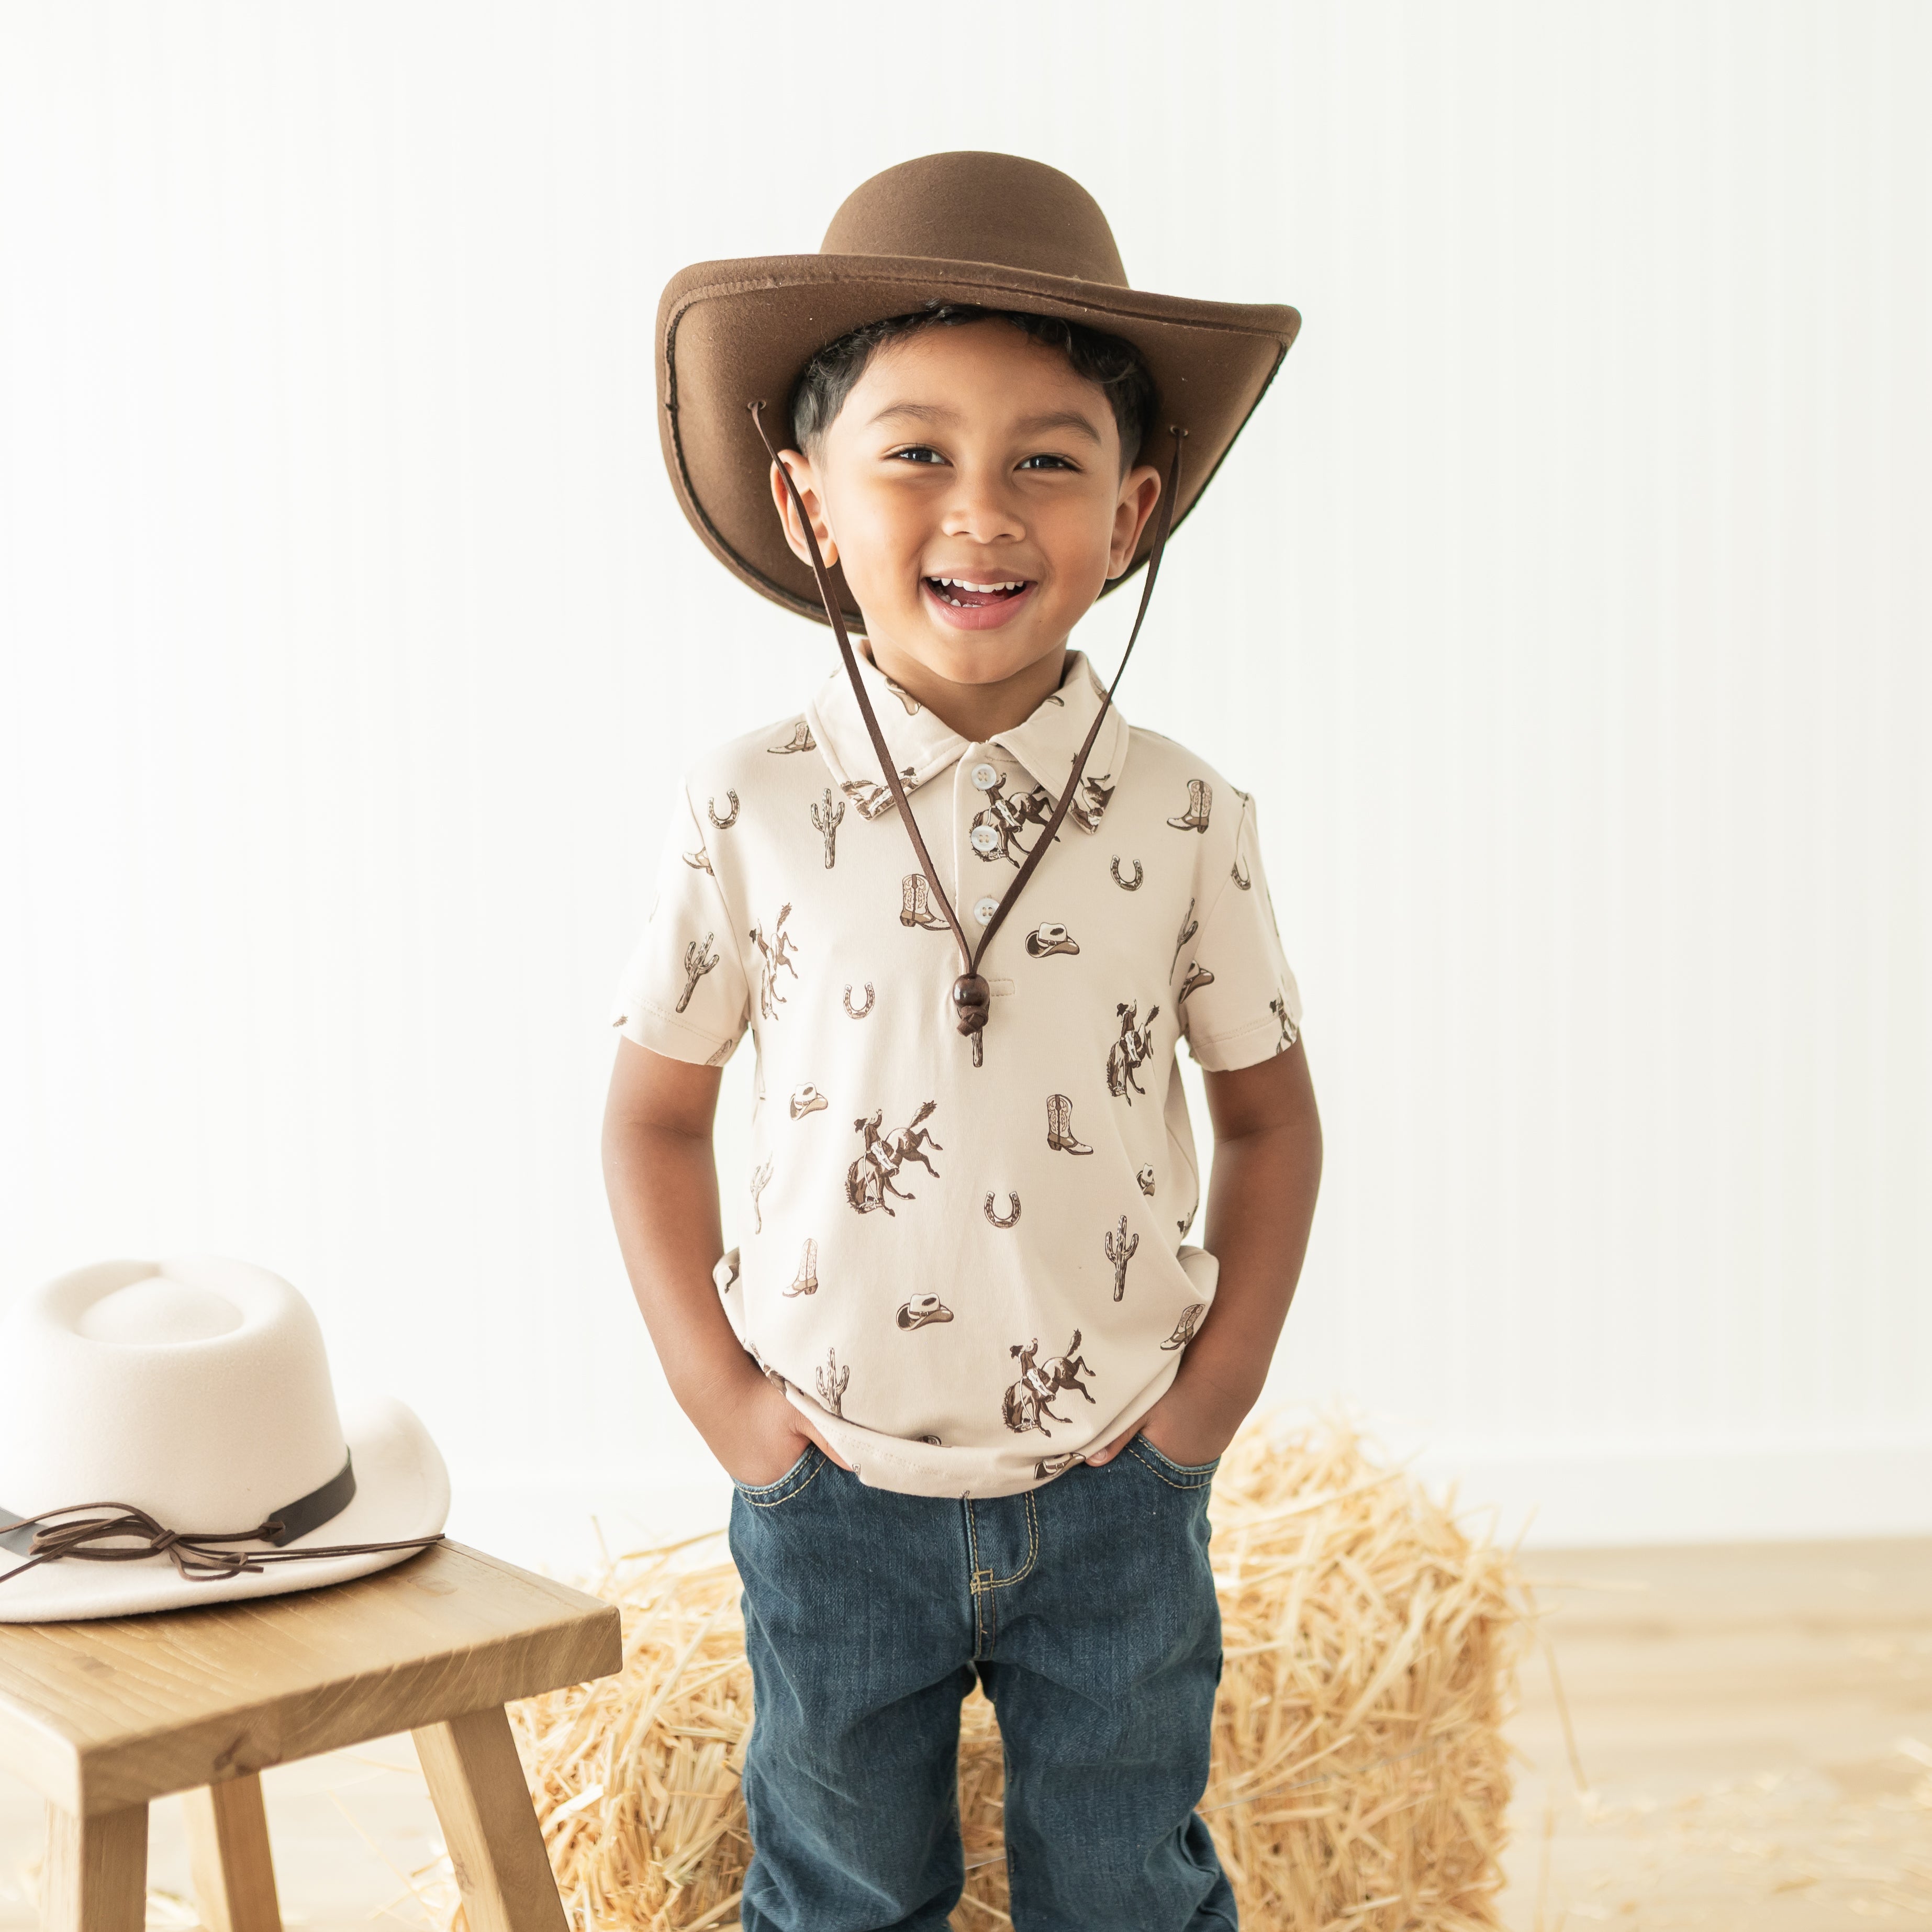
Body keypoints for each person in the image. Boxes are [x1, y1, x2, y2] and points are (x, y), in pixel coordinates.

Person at [602, 151, 1323, 1932]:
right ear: (807, 499)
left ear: (1133, 510)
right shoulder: (750, 803)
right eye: (915, 451)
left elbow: (1272, 1119)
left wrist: (1201, 1407)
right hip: (831, 1486)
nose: (980, 512)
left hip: (1113, 1488)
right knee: (841, 1887)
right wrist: (732, 1411)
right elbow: (651, 1118)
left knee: (1125, 1883)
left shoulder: (1185, 816)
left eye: (1047, 461)